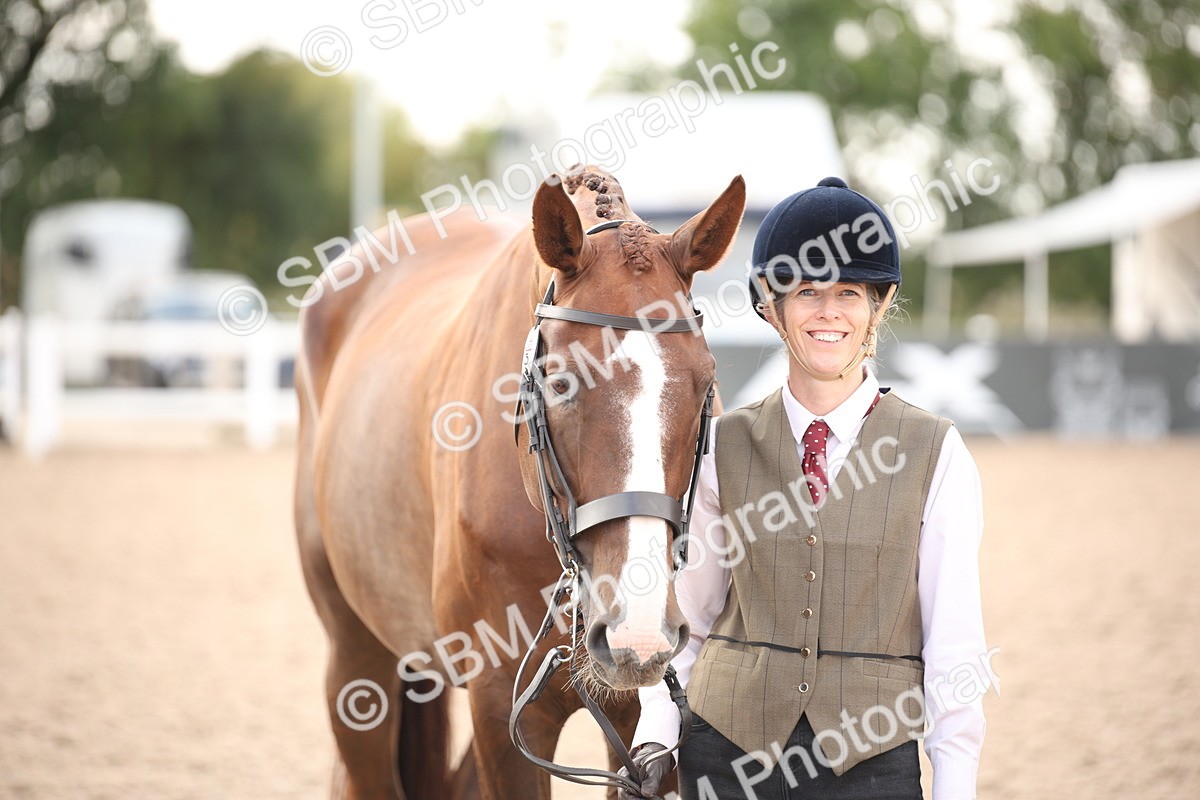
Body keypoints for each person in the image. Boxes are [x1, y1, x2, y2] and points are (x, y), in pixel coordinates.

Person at [619, 177, 989, 800]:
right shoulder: (721, 443)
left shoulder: (937, 453)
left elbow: (954, 648)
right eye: (807, 292)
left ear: (879, 304)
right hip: (725, 755)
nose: (828, 312)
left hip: (872, 764)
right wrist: (654, 736)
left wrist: (956, 787)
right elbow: (693, 619)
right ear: (771, 303)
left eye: (849, 293)